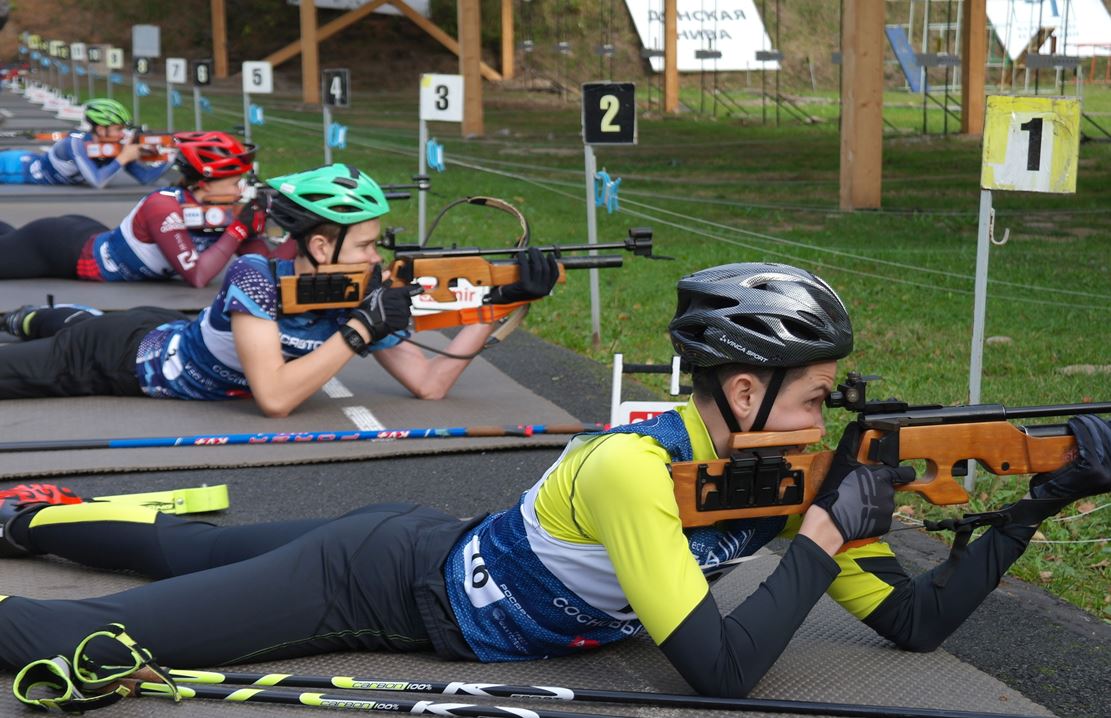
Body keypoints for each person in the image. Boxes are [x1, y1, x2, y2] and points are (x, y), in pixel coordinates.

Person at [0, 263, 1106, 697]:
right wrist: (820, 541)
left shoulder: (789, 473)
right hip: (377, 583)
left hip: (428, 544)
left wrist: (1046, 498)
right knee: (101, 629)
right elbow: (717, 670)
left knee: (180, 546)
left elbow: (911, 622)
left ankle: (27, 522)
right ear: (738, 390)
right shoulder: (636, 467)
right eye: (815, 395)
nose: (830, 417)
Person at [0, 163, 558, 414]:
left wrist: (501, 301)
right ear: (320, 248)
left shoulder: (360, 287)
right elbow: (275, 398)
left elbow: (430, 382)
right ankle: (30, 319)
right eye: (365, 246)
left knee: (60, 320)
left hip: (156, 326)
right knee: (32, 362)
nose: (377, 258)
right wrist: (362, 330)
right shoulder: (256, 277)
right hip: (120, 358)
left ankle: (32, 316)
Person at [0, 130, 277, 287]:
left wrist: (288, 224)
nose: (240, 191)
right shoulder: (163, 206)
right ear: (204, 183)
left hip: (88, 233)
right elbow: (198, 275)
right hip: (60, 248)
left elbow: (270, 268)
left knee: (9, 242)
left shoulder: (224, 208)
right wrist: (240, 229)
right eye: (233, 183)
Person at [0, 98, 171, 187]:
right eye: (118, 129)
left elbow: (146, 177)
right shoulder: (74, 145)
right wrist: (124, 158)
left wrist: (171, 156)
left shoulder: (114, 147)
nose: (122, 134)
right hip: (15, 168)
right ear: (100, 129)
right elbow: (97, 181)